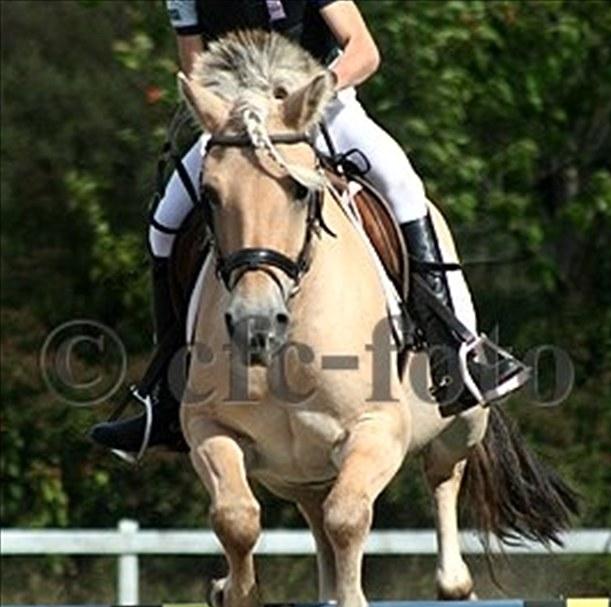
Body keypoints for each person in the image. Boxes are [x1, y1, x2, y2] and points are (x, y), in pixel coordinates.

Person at [90, 0, 530, 456]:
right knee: (163, 224)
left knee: (402, 185)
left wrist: (315, 92)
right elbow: (197, 66)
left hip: (322, 110)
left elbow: (364, 49)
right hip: (239, 124)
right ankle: (165, 390)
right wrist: (228, 113)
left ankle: (456, 351)